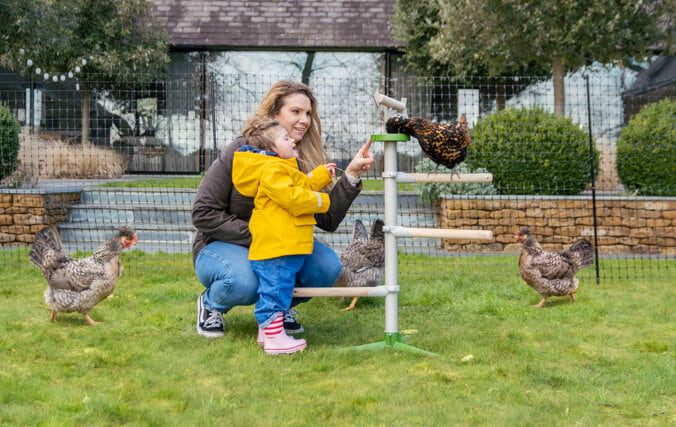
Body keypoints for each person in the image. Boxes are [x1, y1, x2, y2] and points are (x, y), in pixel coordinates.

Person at [192, 80, 375, 339]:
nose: (304, 120)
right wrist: (264, 235)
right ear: (274, 114)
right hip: (223, 243)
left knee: (327, 267)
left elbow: (327, 219)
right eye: (296, 112)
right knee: (244, 281)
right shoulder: (240, 152)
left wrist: (351, 177)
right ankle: (212, 304)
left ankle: (277, 312)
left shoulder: (299, 157)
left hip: (280, 242)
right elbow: (203, 213)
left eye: (308, 113)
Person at [231, 118, 336, 354]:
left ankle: (266, 332)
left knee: (277, 287)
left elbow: (301, 184)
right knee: (276, 290)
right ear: (271, 149)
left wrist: (321, 176)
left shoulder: (280, 168)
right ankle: (275, 338)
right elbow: (294, 199)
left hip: (284, 243)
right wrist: (323, 201)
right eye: (285, 138)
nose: (292, 140)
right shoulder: (272, 170)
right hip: (278, 245)